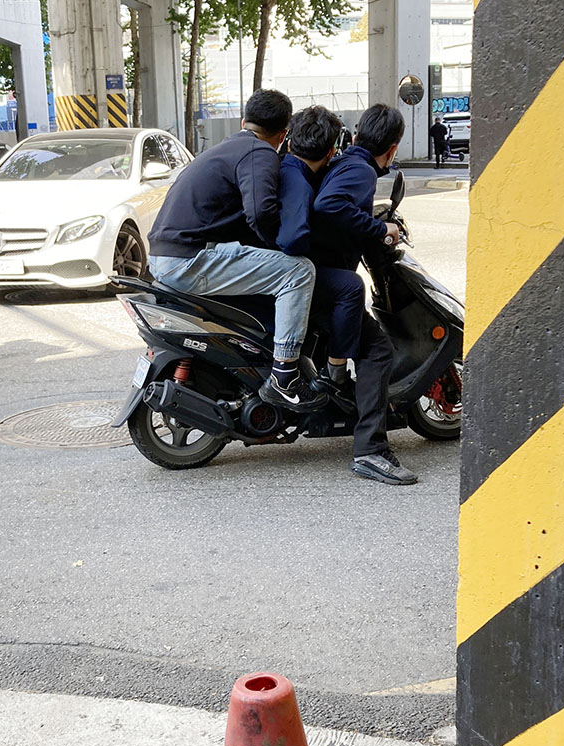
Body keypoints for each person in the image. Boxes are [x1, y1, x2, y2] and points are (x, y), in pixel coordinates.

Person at [147, 89, 326, 413]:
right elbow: (260, 212)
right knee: (299, 271)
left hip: (164, 254)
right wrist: (281, 245)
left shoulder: (225, 148)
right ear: (283, 134)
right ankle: (284, 375)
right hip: (188, 259)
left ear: (244, 121)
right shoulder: (260, 153)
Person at [311, 104, 418, 485]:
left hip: (317, 276)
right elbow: (328, 205)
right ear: (392, 148)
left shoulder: (345, 163)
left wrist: (371, 222)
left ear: (357, 135)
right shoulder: (360, 170)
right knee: (377, 350)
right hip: (326, 282)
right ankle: (371, 451)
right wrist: (379, 230)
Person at [276, 106, 367, 407]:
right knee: (351, 286)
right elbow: (292, 240)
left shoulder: (285, 168)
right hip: (277, 273)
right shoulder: (300, 185)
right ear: (330, 153)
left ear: (290, 142)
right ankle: (335, 375)